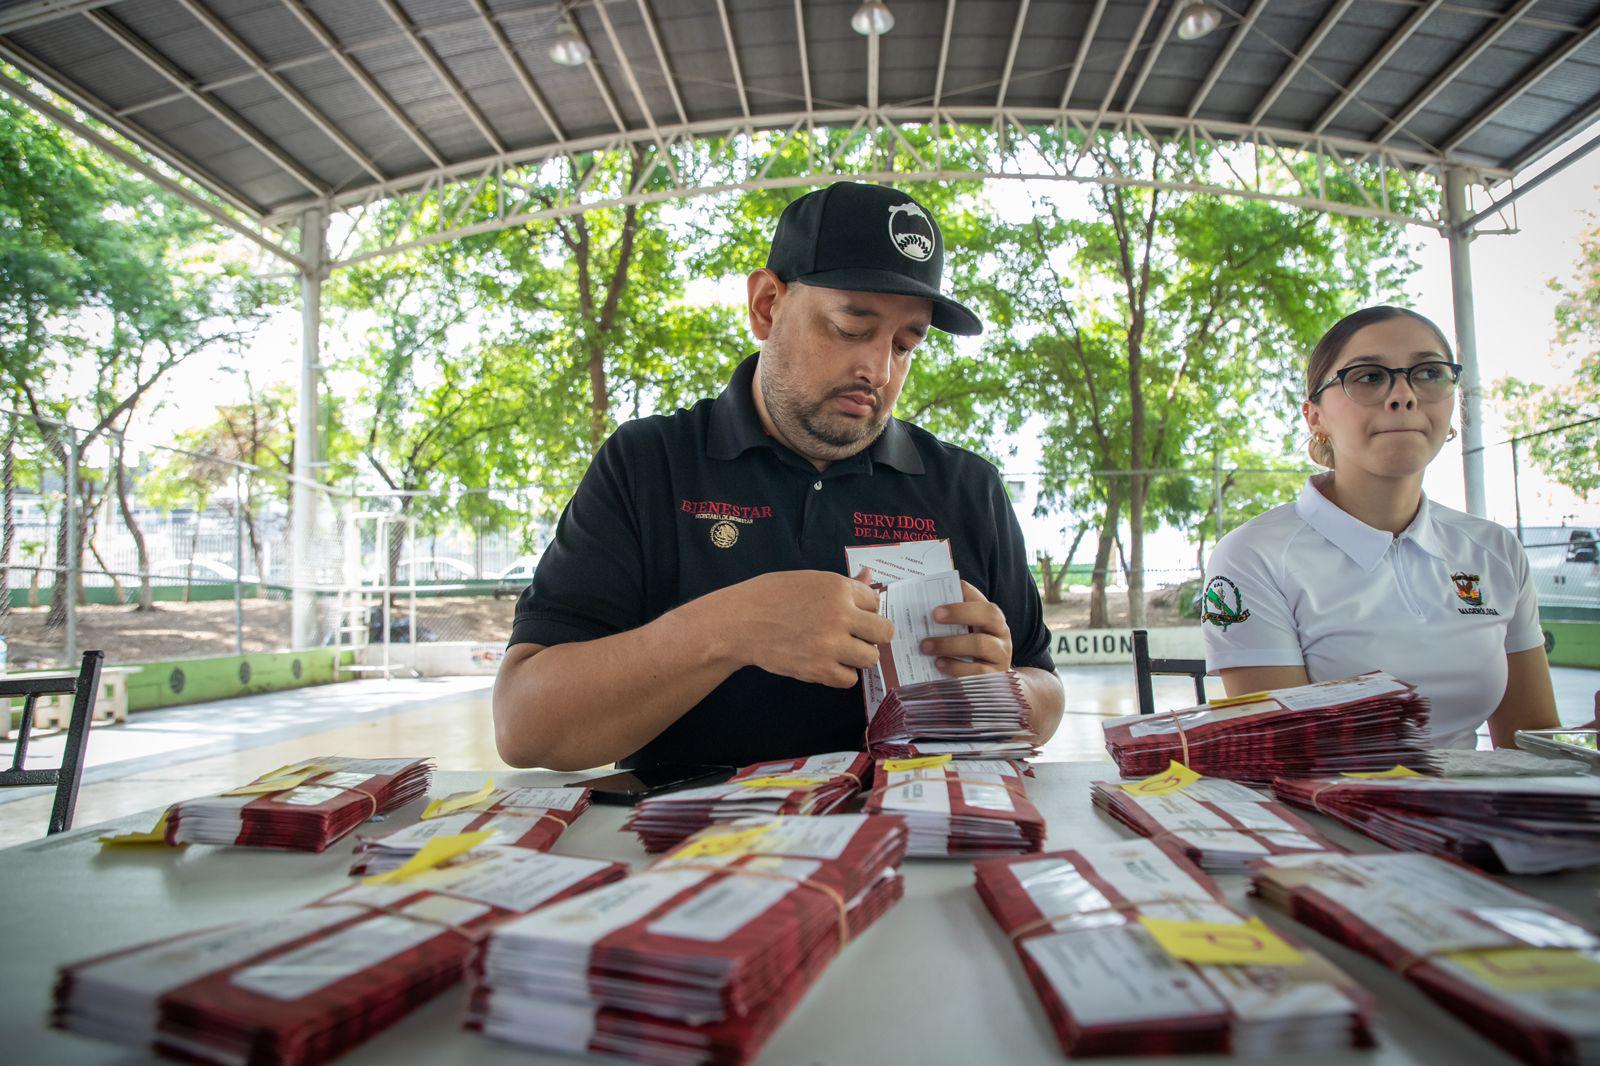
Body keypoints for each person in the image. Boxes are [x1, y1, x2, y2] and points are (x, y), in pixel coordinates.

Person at [493, 182, 1063, 771]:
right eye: (850, 327)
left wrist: (1003, 693)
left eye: (905, 343)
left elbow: (1046, 690)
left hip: (914, 842)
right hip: (688, 849)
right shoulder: (648, 464)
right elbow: (525, 728)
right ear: (768, 305)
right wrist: (729, 629)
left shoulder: (967, 487)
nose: (878, 368)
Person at [1201, 305, 1560, 748]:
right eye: (1369, 377)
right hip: (1328, 813)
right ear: (1315, 417)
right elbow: (1288, 755)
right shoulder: (1252, 557)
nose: (1403, 395)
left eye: (1428, 373)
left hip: (1476, 814)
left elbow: (1534, 745)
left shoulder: (1495, 550)